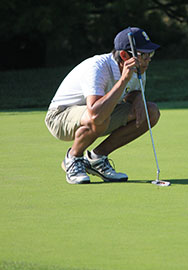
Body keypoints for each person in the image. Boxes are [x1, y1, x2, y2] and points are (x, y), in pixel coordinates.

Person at [45, 27, 160, 184]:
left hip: (96, 115)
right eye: (143, 54)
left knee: (151, 112)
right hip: (59, 117)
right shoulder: (97, 67)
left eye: (150, 54)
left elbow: (129, 95)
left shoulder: (138, 68)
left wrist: (138, 97)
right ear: (125, 55)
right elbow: (95, 112)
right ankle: (72, 158)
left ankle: (96, 159)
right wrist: (123, 80)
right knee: (100, 116)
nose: (148, 59)